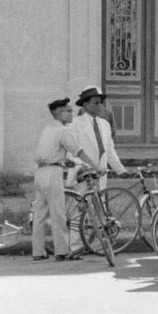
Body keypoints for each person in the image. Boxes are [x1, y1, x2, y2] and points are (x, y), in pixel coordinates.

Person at [31, 98, 99, 261]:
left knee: (39, 214)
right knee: (58, 213)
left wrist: (63, 160)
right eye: (68, 111)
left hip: (40, 172)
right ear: (58, 113)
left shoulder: (48, 129)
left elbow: (48, 151)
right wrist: (95, 166)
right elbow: (79, 151)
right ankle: (62, 251)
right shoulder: (63, 131)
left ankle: (38, 252)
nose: (71, 114)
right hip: (52, 173)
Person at [69, 86, 126, 189]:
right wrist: (88, 167)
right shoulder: (75, 123)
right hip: (82, 177)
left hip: (100, 177)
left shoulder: (105, 124)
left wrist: (121, 170)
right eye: (96, 103)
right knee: (82, 203)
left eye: (101, 103)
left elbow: (109, 151)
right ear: (85, 105)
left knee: (100, 203)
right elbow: (70, 153)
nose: (100, 106)